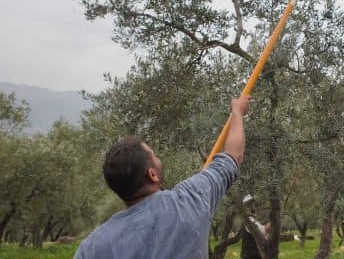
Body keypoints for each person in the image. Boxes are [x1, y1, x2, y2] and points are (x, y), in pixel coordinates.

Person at [74, 95, 251, 259]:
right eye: (154, 156)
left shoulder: (92, 247)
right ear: (152, 174)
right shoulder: (189, 201)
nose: (158, 158)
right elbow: (233, 157)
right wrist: (237, 112)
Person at [240, 195, 270, 259]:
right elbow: (263, 231)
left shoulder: (250, 219)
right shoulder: (249, 220)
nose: (253, 206)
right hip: (251, 256)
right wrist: (275, 220)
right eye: (250, 205)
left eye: (253, 204)